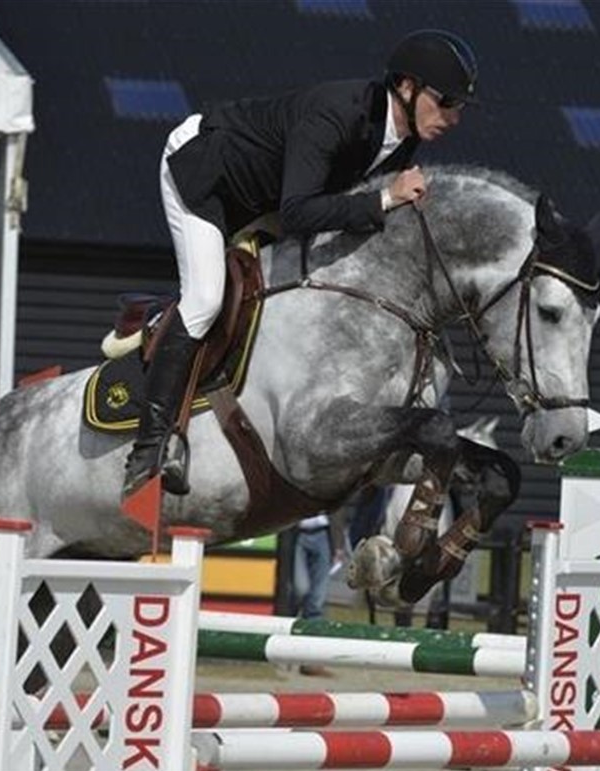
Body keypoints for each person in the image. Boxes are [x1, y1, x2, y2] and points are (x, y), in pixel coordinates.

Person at [123, 29, 480, 497]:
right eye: (446, 101)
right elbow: (298, 213)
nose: (453, 117)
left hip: (266, 195)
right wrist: (384, 200)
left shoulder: (403, 136)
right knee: (206, 299)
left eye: (460, 106)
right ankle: (148, 450)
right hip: (208, 177)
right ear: (407, 87)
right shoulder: (337, 114)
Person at [293, 511, 347, 677]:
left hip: (323, 534)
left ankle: (312, 659)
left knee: (317, 600)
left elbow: (338, 510)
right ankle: (290, 649)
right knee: (301, 589)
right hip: (297, 533)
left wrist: (339, 544)